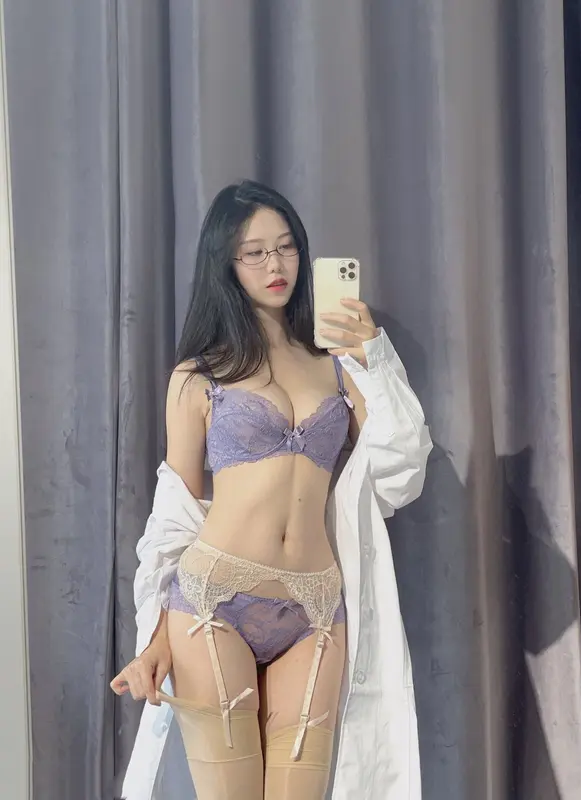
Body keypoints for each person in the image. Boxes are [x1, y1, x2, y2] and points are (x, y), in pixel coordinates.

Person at [111, 180, 433, 800]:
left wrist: (375, 356)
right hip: (213, 600)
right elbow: (175, 509)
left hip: (317, 607)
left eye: (286, 247)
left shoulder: (336, 363)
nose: (274, 264)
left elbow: (403, 465)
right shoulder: (199, 375)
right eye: (254, 252)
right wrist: (153, 635)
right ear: (226, 263)